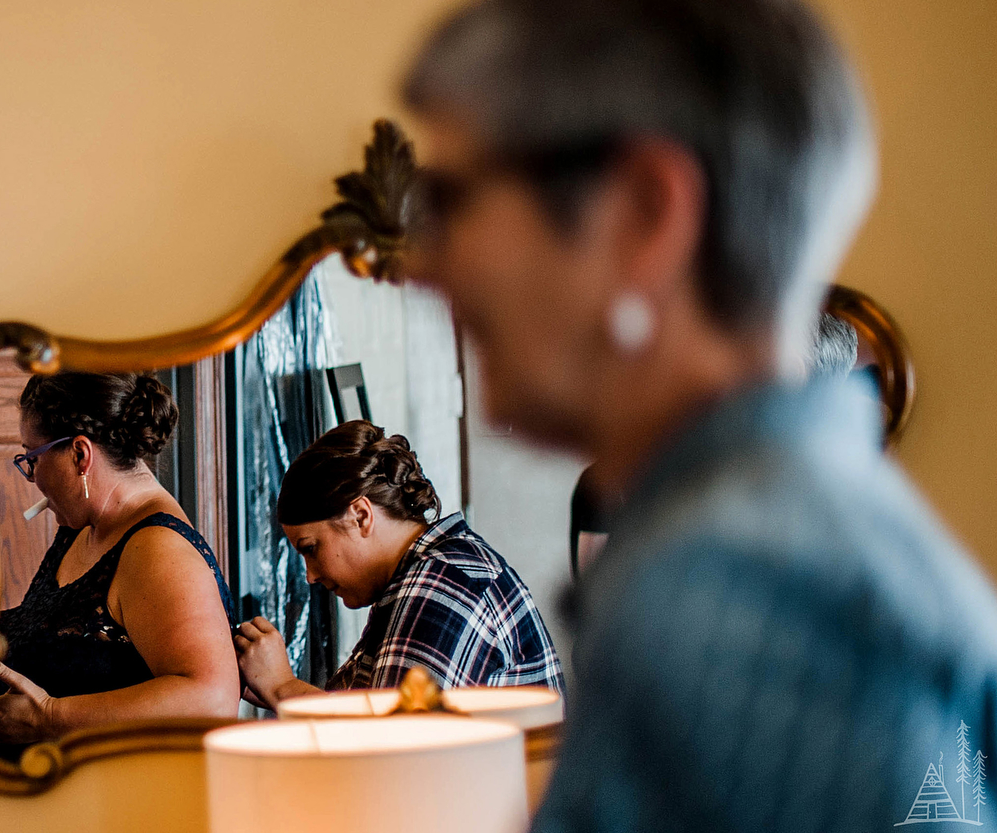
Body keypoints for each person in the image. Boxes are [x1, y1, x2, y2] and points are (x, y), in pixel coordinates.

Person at [401, 1, 997, 831]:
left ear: (647, 214)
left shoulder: (732, 598)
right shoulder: (806, 542)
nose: (426, 266)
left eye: (451, 198)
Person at [234, 419, 563, 710]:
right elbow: (361, 717)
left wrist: (282, 687)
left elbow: (388, 757)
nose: (310, 575)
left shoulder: (441, 586)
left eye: (311, 548)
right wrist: (268, 683)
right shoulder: (426, 575)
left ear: (361, 516)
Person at [0, 372, 239, 749]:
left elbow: (212, 701)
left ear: (80, 454)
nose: (32, 478)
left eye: (33, 459)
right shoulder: (82, 526)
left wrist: (50, 717)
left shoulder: (156, 549)